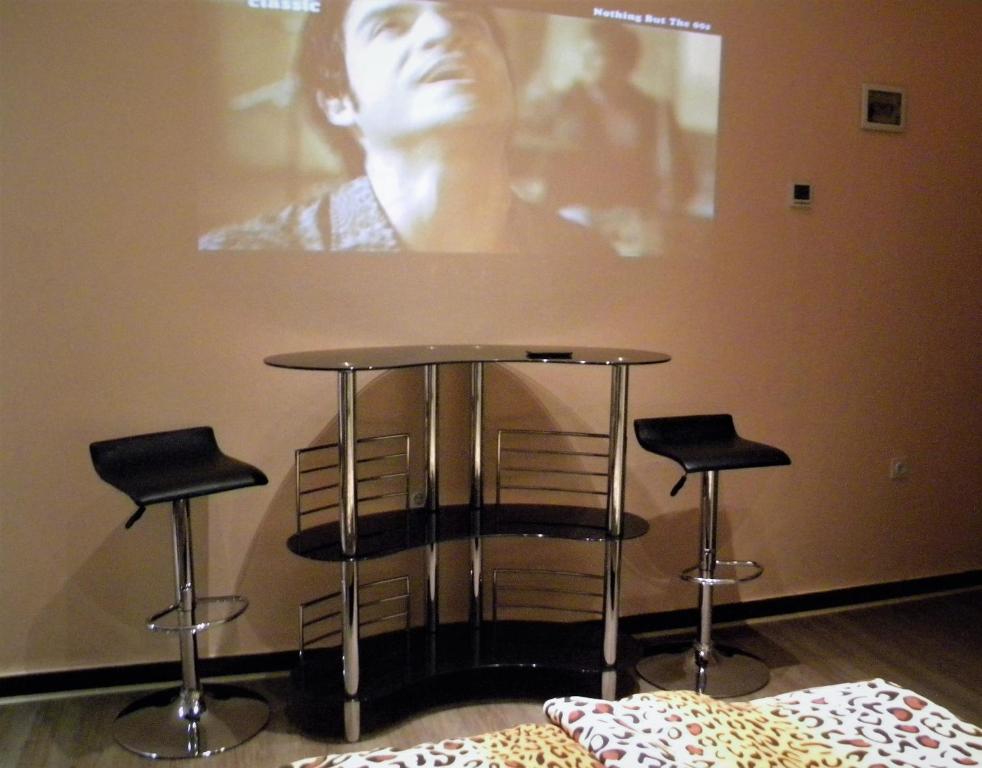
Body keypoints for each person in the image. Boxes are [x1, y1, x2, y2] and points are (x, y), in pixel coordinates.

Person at [200, 0, 614, 255]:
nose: (443, 30)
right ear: (338, 99)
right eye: (390, 26)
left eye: (466, 20)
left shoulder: (587, 257)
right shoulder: (246, 254)